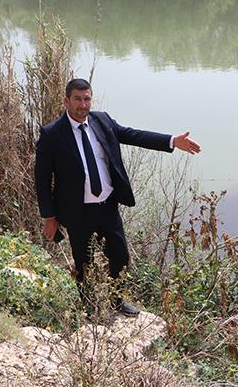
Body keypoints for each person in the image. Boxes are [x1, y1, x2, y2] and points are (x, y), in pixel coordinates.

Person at [34, 78, 201, 316]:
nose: (83, 104)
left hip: (107, 206)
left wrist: (172, 141)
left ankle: (116, 301)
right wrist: (49, 217)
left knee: (120, 256)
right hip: (78, 211)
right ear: (66, 101)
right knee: (84, 263)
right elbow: (42, 179)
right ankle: (89, 307)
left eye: (87, 99)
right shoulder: (52, 134)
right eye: (77, 99)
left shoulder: (102, 121)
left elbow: (133, 135)